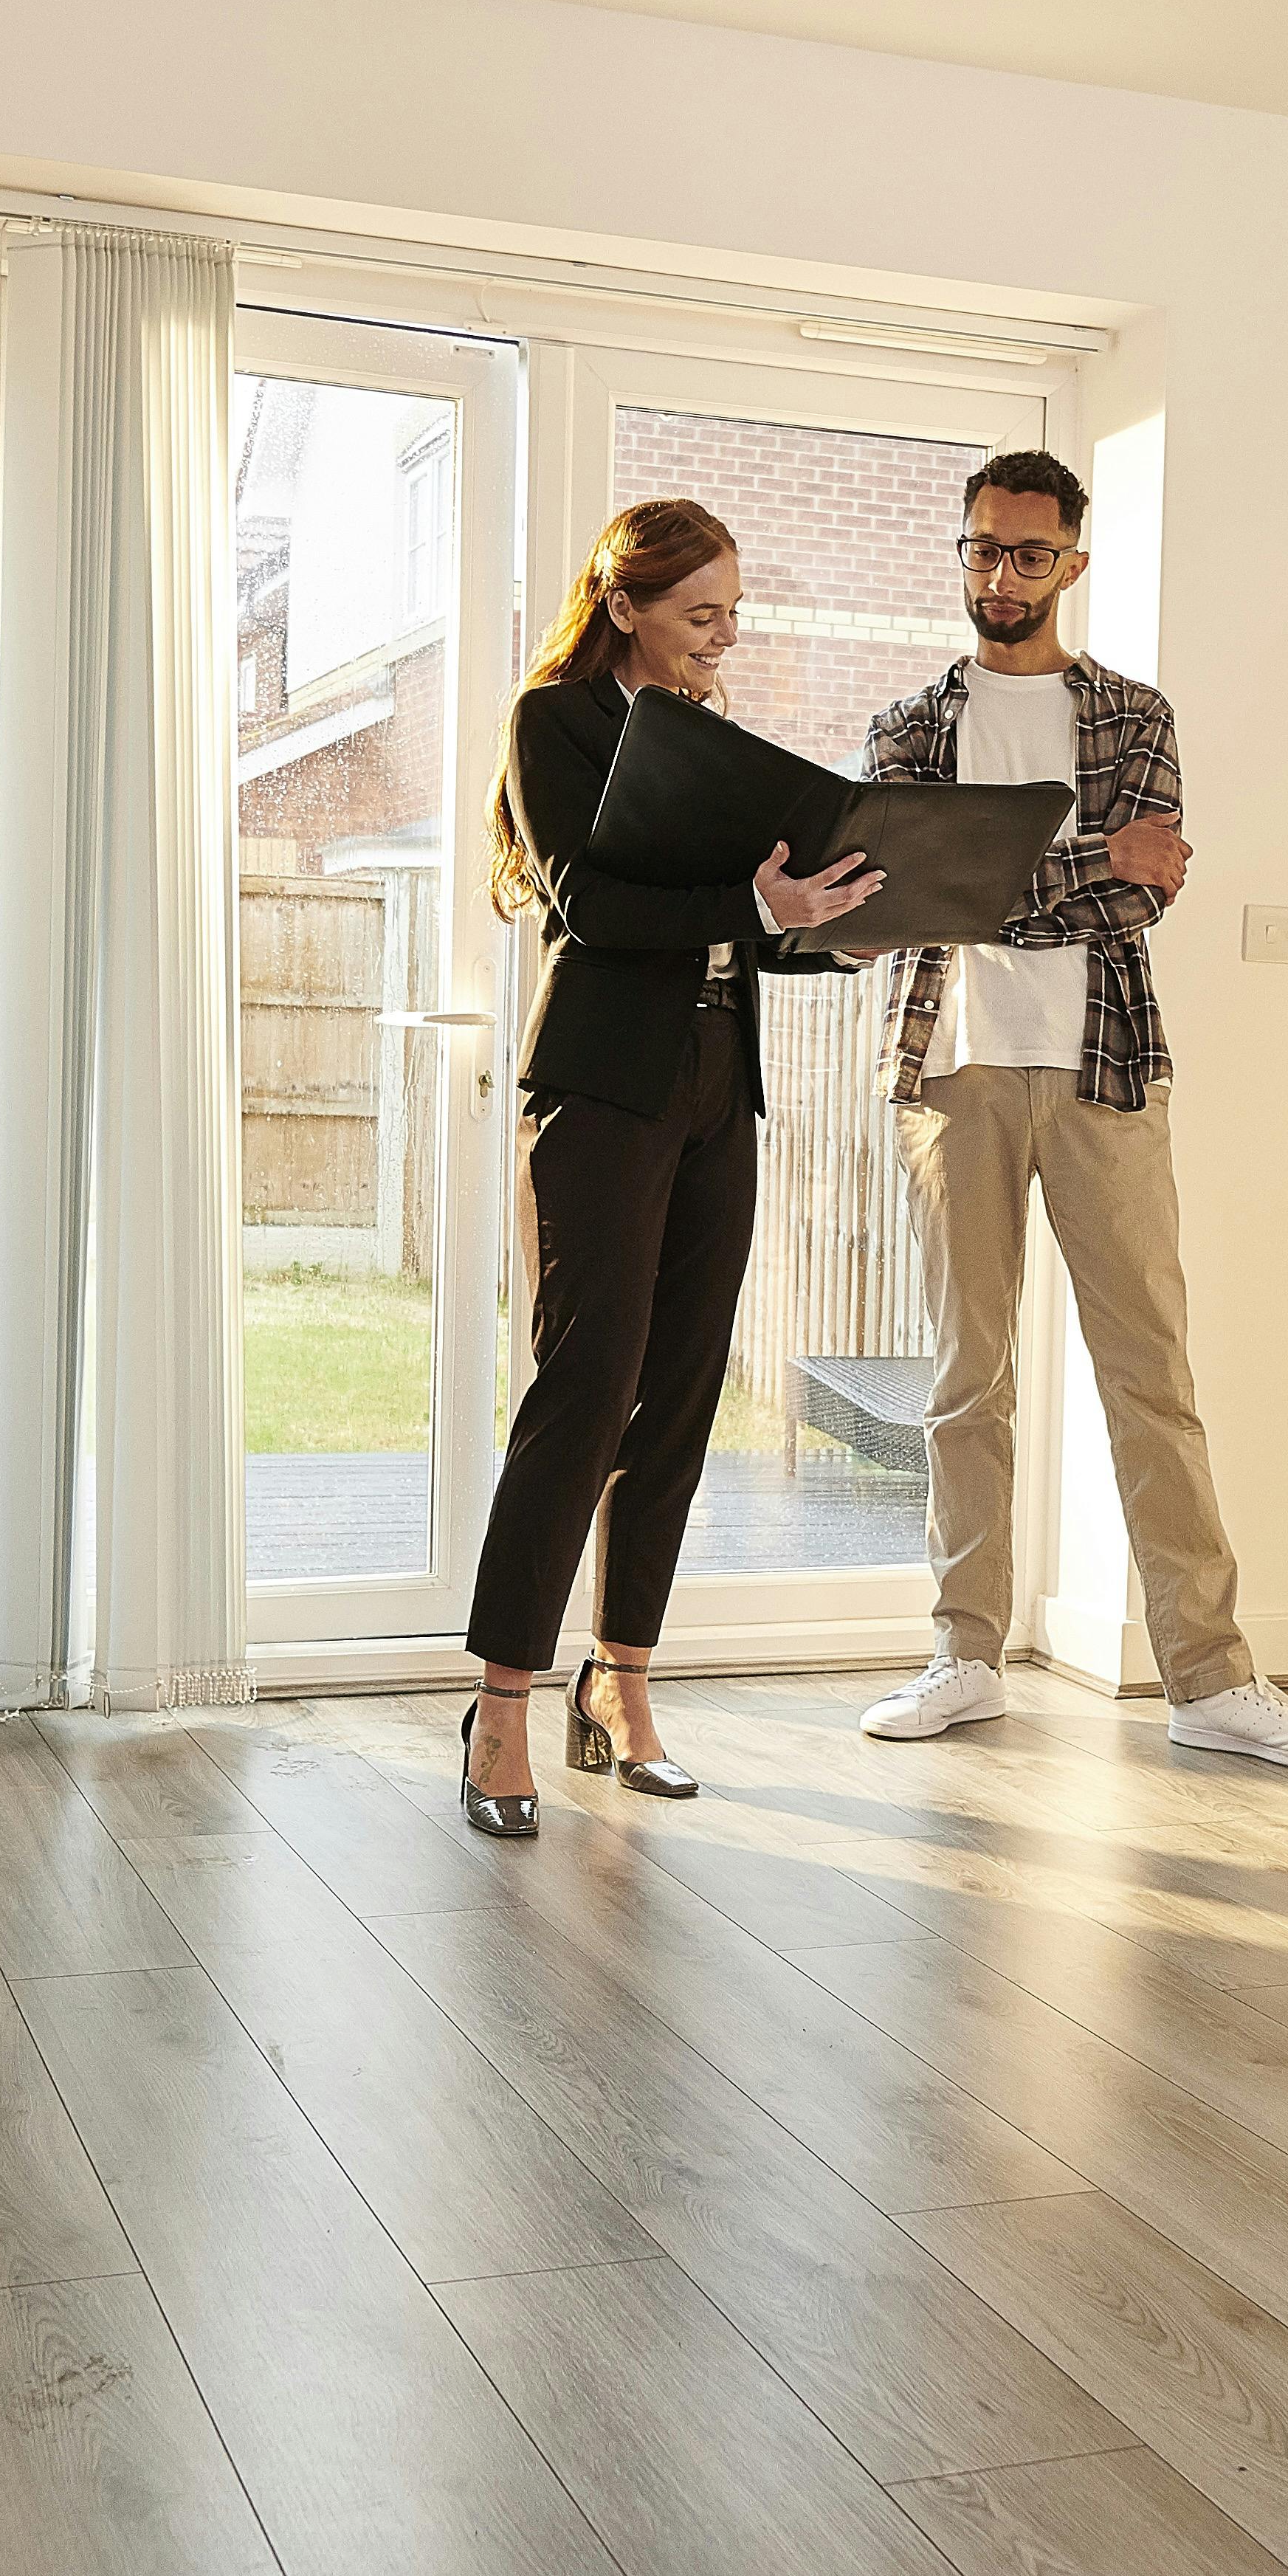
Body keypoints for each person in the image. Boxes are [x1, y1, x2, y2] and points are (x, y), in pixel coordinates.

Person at [849, 451, 1288, 1773]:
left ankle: (1209, 1679)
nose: (1000, 573)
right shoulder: (908, 725)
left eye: (1028, 553)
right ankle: (966, 1655)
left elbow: (1145, 891)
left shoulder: (1132, 715)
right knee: (963, 1383)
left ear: (1071, 564)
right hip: (949, 1072)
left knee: (1152, 1381)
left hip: (1105, 1071)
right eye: (981, 547)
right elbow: (907, 899)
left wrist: (984, 876)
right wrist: (1065, 863)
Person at [458, 499, 886, 1838]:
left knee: (683, 1394)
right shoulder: (555, 721)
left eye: (732, 613)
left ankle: (621, 1685)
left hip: (714, 1085)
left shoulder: (707, 738)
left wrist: (827, 932)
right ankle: (501, 1708)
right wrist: (756, 906)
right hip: (601, 1088)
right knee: (584, 1391)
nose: (723, 636)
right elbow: (589, 904)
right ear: (625, 604)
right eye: (701, 614)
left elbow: (737, 922)